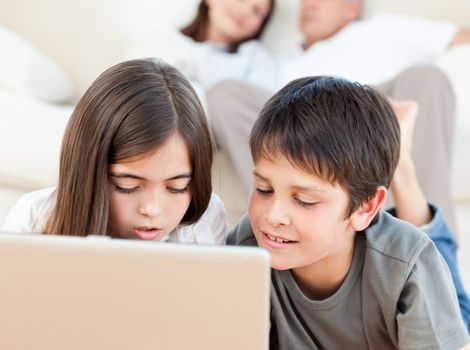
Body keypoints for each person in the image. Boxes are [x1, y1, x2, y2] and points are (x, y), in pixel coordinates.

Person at [227, 76, 470, 348]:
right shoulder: (246, 246)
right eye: (263, 188)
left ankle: (400, 166)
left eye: (305, 200)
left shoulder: (407, 264)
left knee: (441, 281)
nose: (273, 216)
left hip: (438, 312)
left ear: (366, 207)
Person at [3, 58, 227, 244]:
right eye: (127, 187)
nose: (152, 209)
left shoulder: (204, 223)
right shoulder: (34, 219)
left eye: (177, 188)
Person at [121, 0, 278, 93]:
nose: (244, 11)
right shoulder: (156, 36)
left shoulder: (256, 59)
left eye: (257, 11)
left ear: (260, 26)